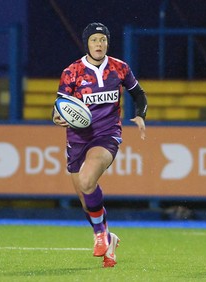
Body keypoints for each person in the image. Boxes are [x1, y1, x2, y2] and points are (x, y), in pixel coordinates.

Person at [52, 22, 147, 268]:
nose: (99, 44)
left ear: (107, 43)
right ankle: (108, 237)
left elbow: (139, 94)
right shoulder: (71, 71)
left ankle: (99, 236)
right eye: (94, 40)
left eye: (103, 40)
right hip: (77, 139)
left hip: (106, 135)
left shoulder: (119, 68)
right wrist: (56, 116)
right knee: (86, 200)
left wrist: (140, 114)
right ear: (87, 43)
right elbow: (60, 105)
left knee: (86, 180)